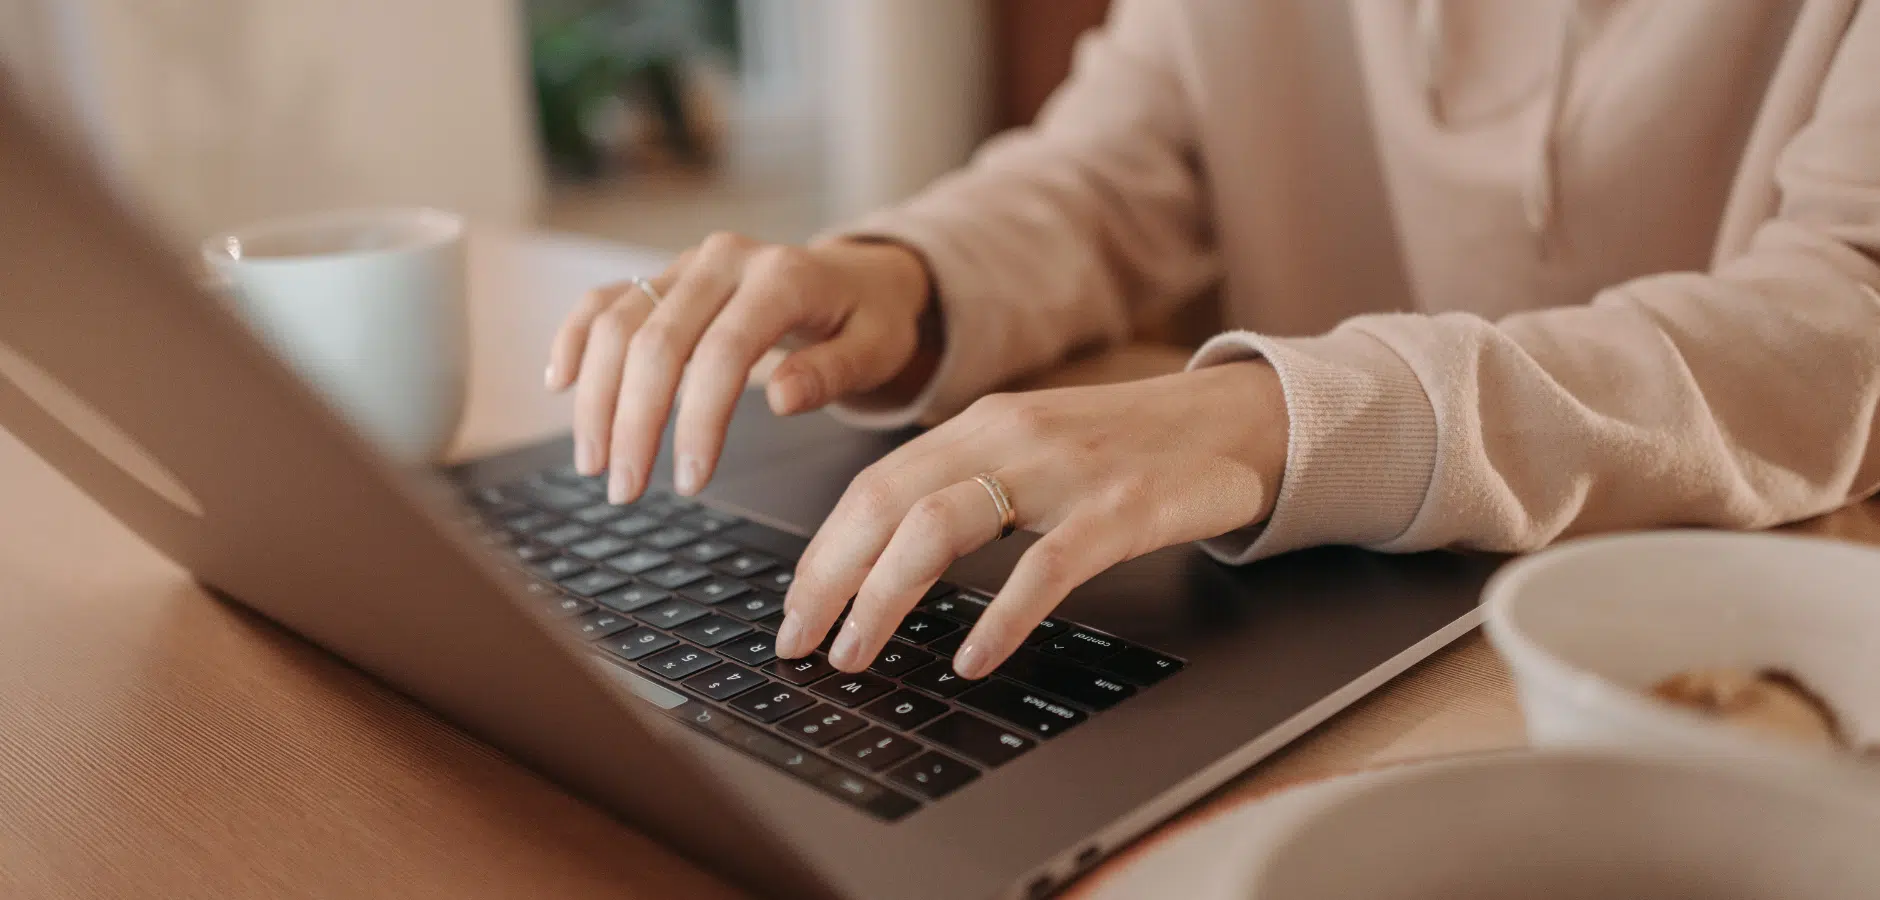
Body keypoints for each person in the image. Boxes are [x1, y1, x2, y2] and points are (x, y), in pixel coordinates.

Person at [544, 1, 1880, 683]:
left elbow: (1839, 318)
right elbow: (1111, 166)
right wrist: (901, 274)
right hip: (1319, 625)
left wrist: (1277, 420)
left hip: (1725, 654)